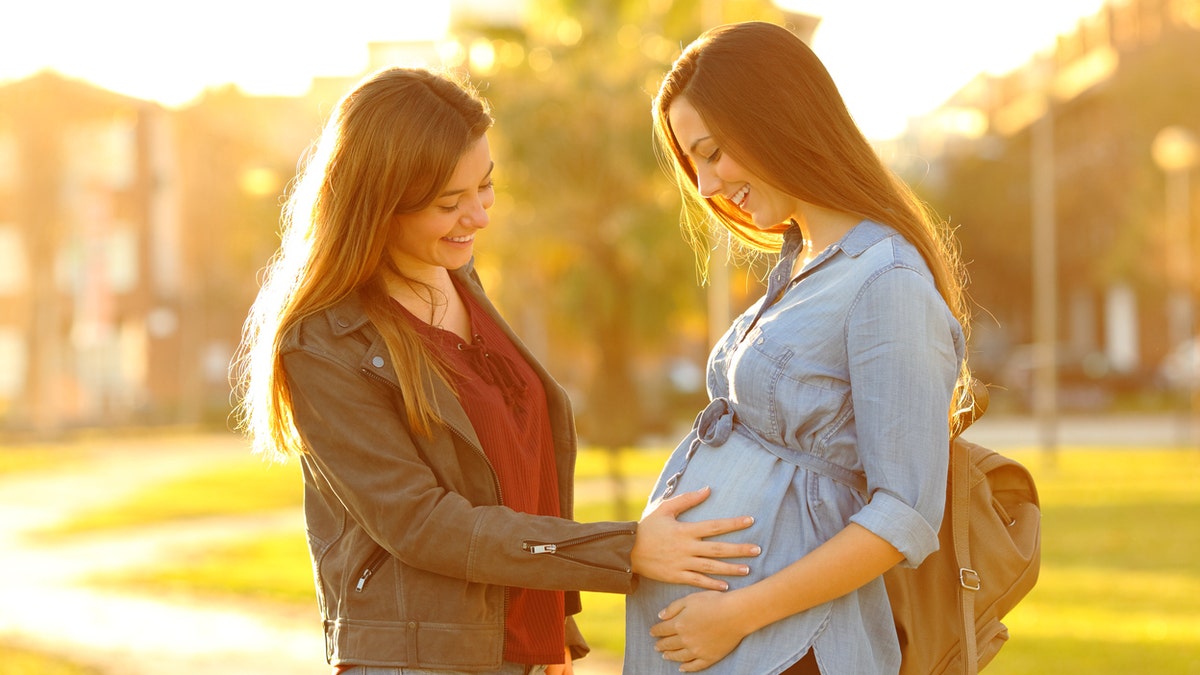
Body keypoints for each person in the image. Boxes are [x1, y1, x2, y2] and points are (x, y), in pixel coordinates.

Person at [231, 66, 762, 675]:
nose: (479, 216)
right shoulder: (323, 343)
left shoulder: (456, 277)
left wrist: (554, 627)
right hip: (422, 661)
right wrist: (624, 549)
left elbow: (518, 460)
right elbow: (423, 524)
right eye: (448, 203)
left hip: (522, 654)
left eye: (485, 187)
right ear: (378, 207)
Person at [623, 21, 973, 674]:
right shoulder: (804, 264)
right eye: (693, 162)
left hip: (791, 647)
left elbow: (905, 511)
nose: (704, 185)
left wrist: (736, 612)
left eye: (712, 152)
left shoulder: (886, 280)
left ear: (775, 120)